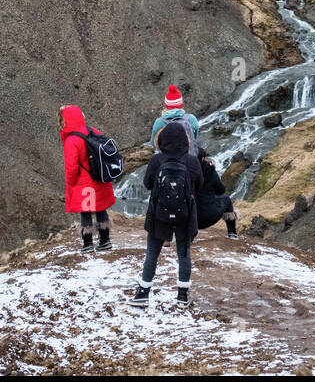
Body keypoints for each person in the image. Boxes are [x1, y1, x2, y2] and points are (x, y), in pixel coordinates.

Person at [128, 121, 202, 308]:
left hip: (159, 214)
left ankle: (143, 293)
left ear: (162, 140)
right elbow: (199, 184)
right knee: (184, 255)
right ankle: (182, 297)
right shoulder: (191, 161)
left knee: (152, 254)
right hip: (185, 215)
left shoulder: (156, 160)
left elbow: (147, 184)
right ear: (185, 141)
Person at [60, 104, 115, 251]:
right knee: (101, 208)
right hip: (100, 179)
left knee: (85, 212)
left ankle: (88, 244)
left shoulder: (72, 140)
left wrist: (71, 183)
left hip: (84, 184)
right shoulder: (92, 131)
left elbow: (71, 167)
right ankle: (105, 241)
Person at [196, 148, 238, 239]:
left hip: (188, 219)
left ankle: (188, 235)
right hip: (209, 217)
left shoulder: (185, 171)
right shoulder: (210, 171)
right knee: (226, 199)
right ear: (203, 159)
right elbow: (221, 191)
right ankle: (232, 234)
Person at [149, 84, 199, 155]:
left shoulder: (159, 122)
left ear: (166, 105)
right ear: (180, 104)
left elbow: (153, 143)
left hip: (168, 160)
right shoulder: (191, 119)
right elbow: (195, 137)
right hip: (189, 157)